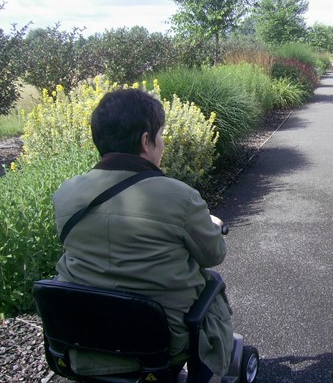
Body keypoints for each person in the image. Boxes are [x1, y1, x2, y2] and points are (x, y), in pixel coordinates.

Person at [53, 88, 232, 382]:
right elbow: (214, 255)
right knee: (213, 286)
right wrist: (211, 225)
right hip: (162, 345)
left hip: (83, 340)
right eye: (160, 135)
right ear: (146, 140)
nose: (162, 144)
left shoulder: (67, 193)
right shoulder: (180, 197)